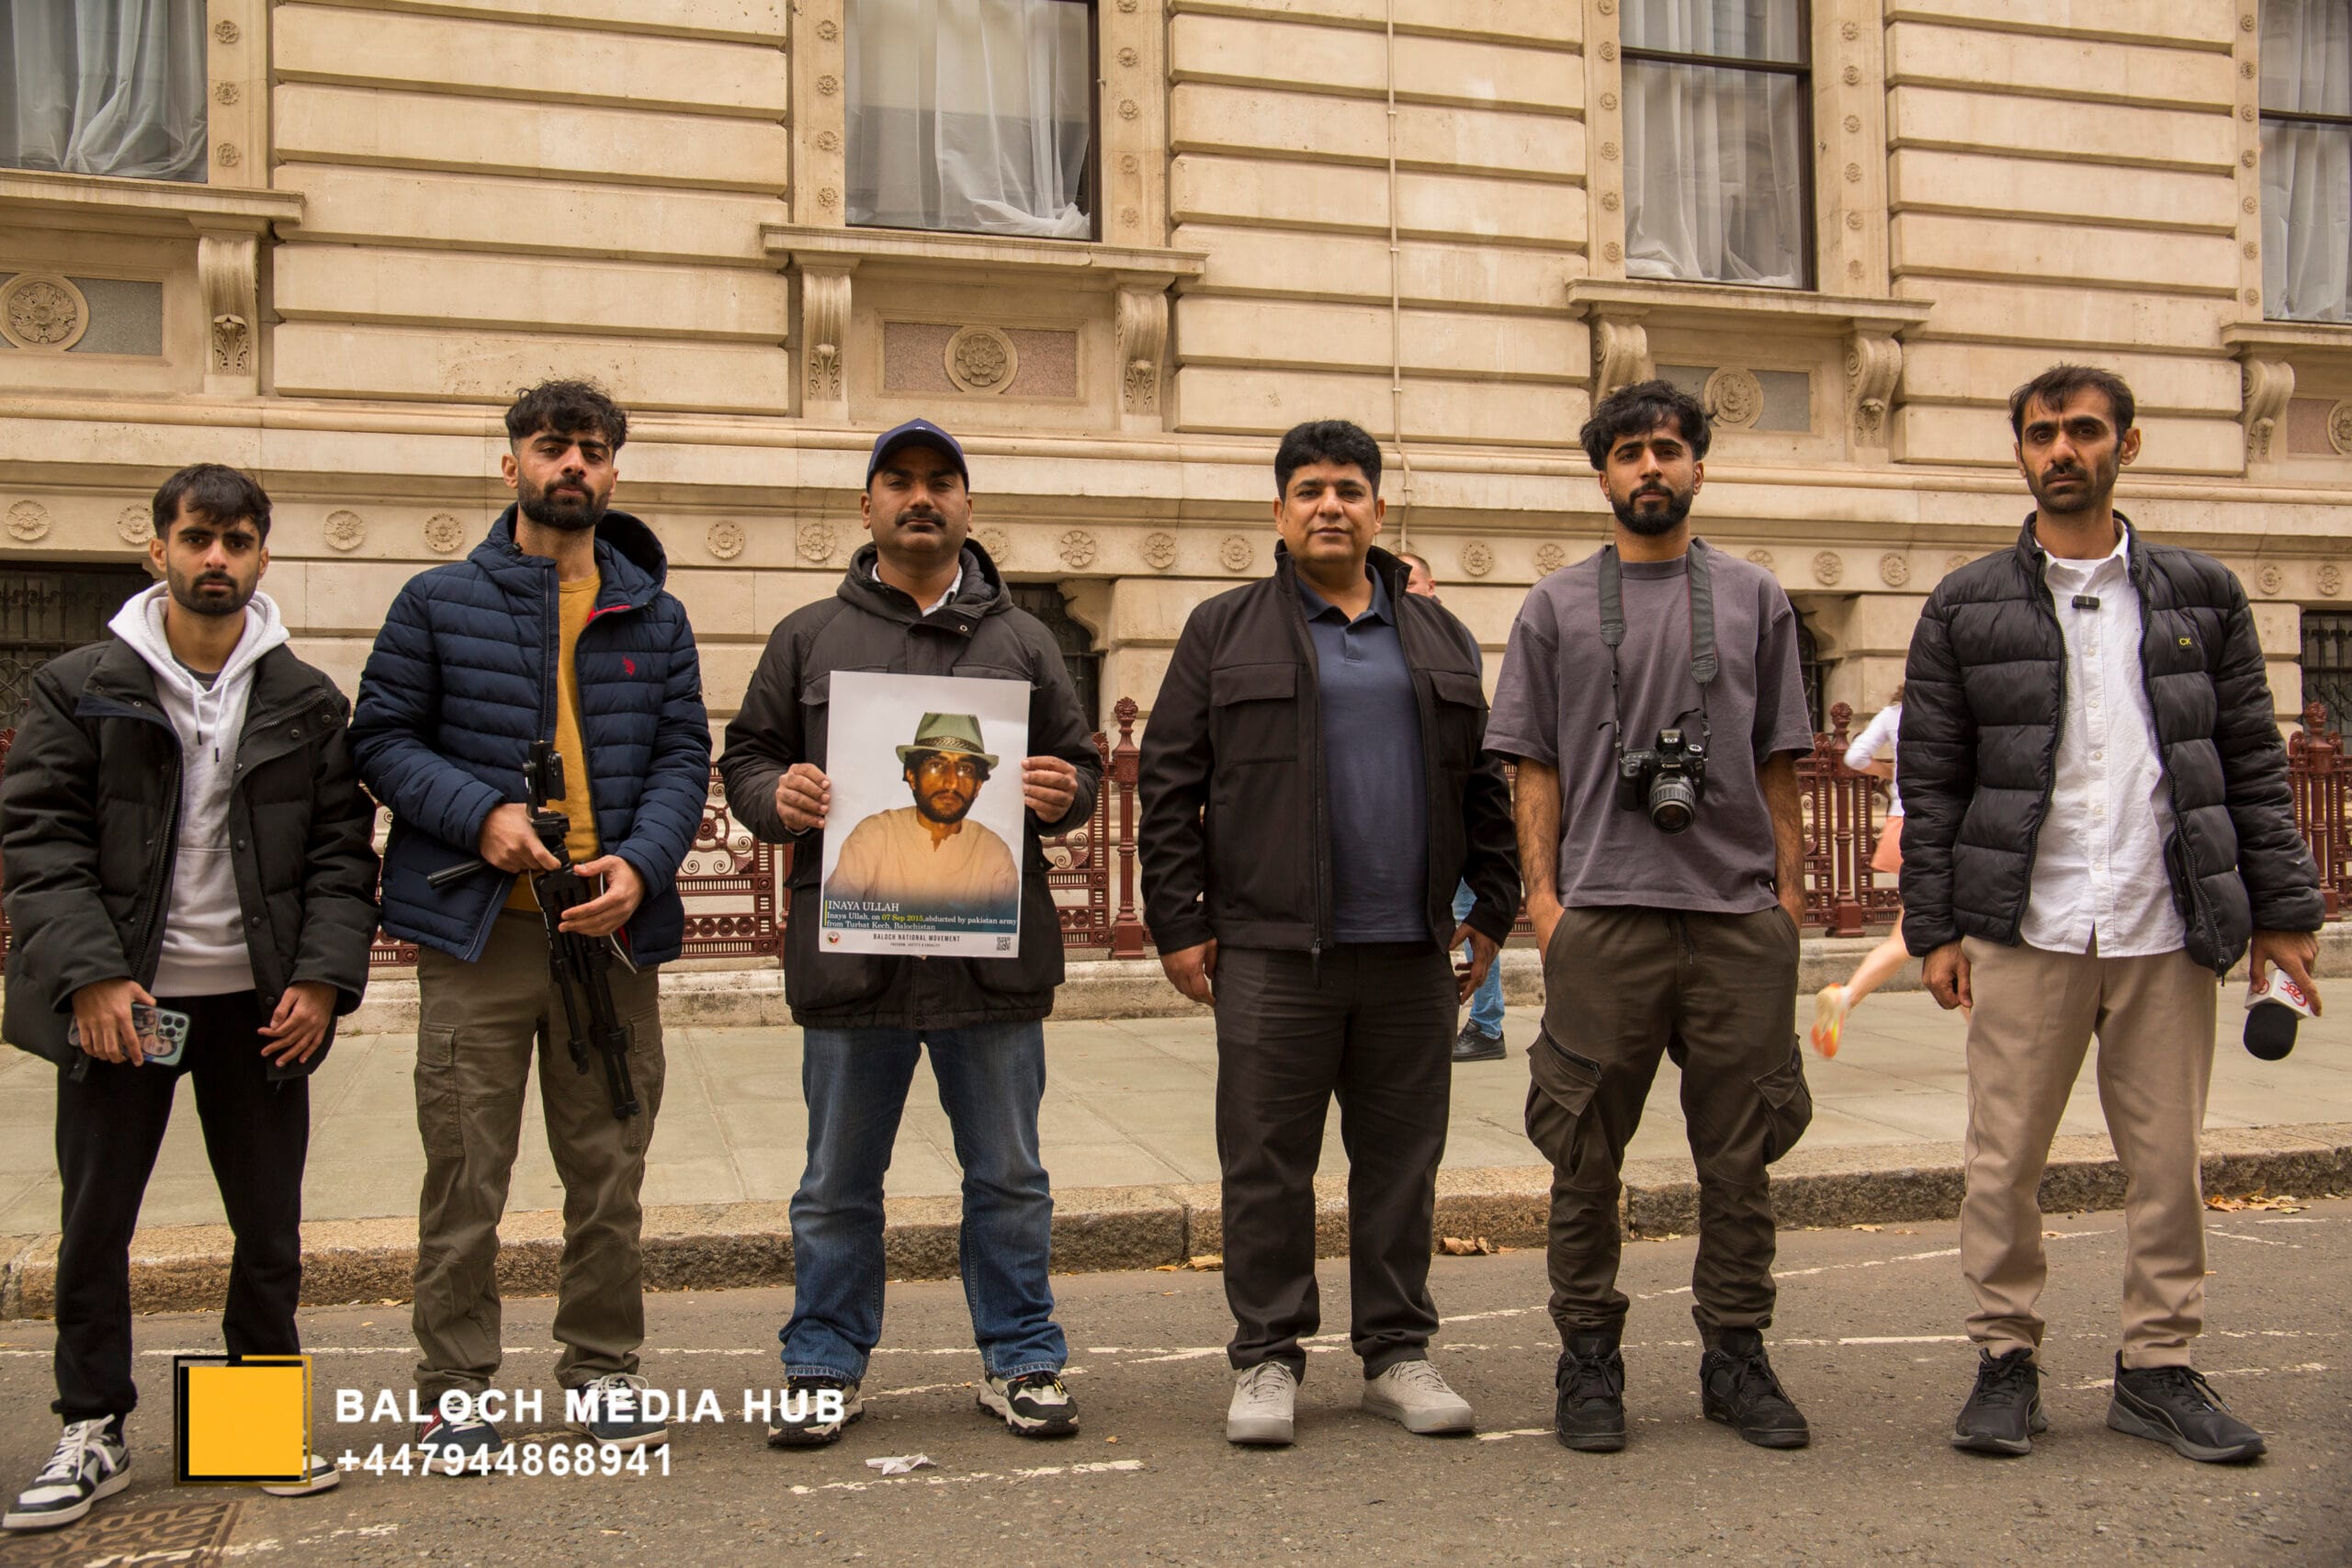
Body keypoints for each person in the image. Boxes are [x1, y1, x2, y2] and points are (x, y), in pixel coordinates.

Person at [1899, 365, 2324, 1463]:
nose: (2061, 450)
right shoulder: (1964, 603)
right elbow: (1934, 779)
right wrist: (1935, 928)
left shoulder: (2201, 594)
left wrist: (2281, 915)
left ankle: (2159, 1367)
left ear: (2125, 446)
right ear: (2019, 452)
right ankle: (2004, 1361)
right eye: (2041, 433)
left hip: (2164, 920)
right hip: (2024, 926)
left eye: (2083, 431)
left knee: (2168, 1163)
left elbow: (2250, 765)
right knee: (2002, 1162)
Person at [1, 465, 379, 1531]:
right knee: (95, 1224)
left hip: (257, 1009)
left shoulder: (306, 699)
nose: (217, 558)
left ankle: (248, 1428)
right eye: (198, 538)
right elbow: (41, 843)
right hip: (120, 1008)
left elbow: (343, 855)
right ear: (157, 549)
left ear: (263, 555)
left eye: (238, 540)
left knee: (267, 1230)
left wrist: (319, 978)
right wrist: (89, 976)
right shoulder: (79, 684)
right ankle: (92, 1429)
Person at [718, 418, 1101, 1445]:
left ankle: (1021, 1358)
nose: (919, 498)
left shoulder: (1023, 641)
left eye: (941, 482)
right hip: (854, 966)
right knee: (837, 1184)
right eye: (899, 482)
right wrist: (775, 793)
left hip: (991, 966)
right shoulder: (807, 635)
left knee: (1010, 1179)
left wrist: (1066, 792)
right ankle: (822, 1361)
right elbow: (745, 756)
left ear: (968, 507)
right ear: (867, 506)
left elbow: (1080, 766)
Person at [1138, 419, 1519, 1448]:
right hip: (1271, 953)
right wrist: (1179, 922)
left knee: (1400, 1163)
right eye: (1308, 490)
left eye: (1349, 489)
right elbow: (1168, 785)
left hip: (1408, 952)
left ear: (1376, 509)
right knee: (1266, 1162)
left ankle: (1396, 1351)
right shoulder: (1223, 630)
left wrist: (1492, 908)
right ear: (1278, 511)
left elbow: (1485, 783)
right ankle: (1267, 1357)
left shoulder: (1435, 636)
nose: (1329, 506)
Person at [350, 380, 711, 1459]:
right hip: (482, 934)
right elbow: (380, 740)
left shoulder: (655, 610)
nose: (573, 467)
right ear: (509, 463)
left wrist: (643, 868)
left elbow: (683, 757)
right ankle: (453, 1387)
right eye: (552, 448)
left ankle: (603, 1371)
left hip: (609, 940)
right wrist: (483, 819)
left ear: (613, 472)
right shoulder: (436, 602)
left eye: (592, 452)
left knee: (607, 1171)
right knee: (465, 1173)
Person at [1487, 379, 1818, 1455]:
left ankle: (1737, 1356)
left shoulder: (1758, 599)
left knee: (1740, 1157)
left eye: (1667, 450)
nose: (1648, 469)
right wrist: (1545, 902)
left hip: (1733, 920)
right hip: (1605, 918)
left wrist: (1789, 897)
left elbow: (1779, 760)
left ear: (1698, 467)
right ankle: (1587, 1359)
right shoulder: (1554, 606)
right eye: (1627, 454)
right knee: (1582, 1153)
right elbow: (1530, 765)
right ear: (1602, 476)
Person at [1398, 550, 1510, 1063]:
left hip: (1453, 804)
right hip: (1428, 807)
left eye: (1410, 581)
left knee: (1468, 912)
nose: (1401, 591)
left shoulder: (1446, 633)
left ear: (1431, 584)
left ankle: (1486, 1024)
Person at [825, 713, 1019, 915]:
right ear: (912, 776)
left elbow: (1004, 934)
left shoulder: (994, 853)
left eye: (965, 768)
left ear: (978, 785)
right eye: (936, 765)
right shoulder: (874, 835)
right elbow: (837, 919)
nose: (951, 782)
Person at [1810, 685, 1908, 1055]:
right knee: (1910, 936)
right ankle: (1846, 996)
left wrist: (1886, 770)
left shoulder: (1894, 713)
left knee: (1942, 937)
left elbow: (1853, 757)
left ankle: (1981, 1044)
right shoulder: (1946, 707)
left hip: (1901, 823)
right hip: (1937, 828)